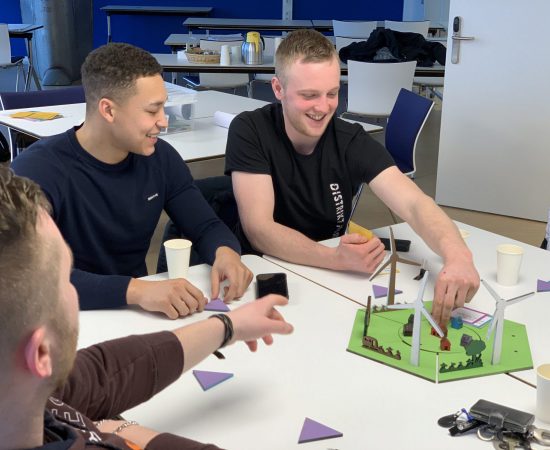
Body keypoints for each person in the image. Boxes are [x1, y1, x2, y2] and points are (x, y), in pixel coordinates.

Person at [0, 167, 293, 450]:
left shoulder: (20, 396)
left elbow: (103, 374)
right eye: (66, 279)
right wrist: (127, 434)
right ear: (41, 354)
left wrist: (227, 327)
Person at [225, 29, 480, 326]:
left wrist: (459, 257)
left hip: (330, 280)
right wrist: (334, 258)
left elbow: (414, 204)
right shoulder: (250, 130)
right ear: (278, 89)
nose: (323, 108)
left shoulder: (349, 140)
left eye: (332, 93)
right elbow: (259, 229)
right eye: (309, 96)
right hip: (264, 275)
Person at [12, 43, 253, 319]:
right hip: (64, 318)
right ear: (108, 110)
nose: (164, 122)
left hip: (140, 315)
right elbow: (32, 275)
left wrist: (226, 253)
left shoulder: (160, 158)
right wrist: (136, 291)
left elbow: (205, 226)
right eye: (152, 111)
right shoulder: (37, 170)